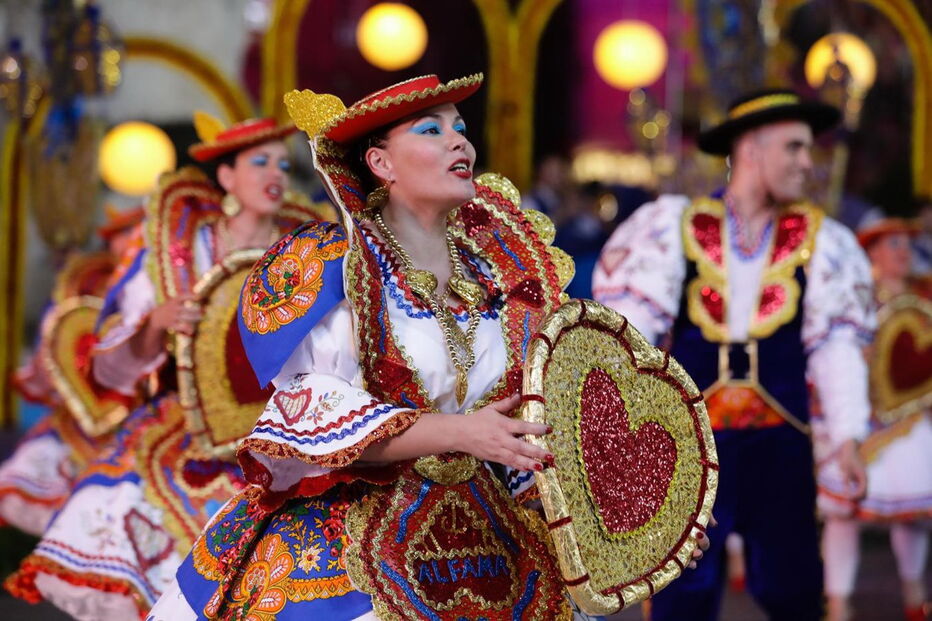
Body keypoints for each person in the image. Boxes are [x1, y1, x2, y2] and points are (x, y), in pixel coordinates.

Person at [148, 74, 708, 620]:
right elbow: (311, 414)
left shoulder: (503, 272)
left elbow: (544, 423)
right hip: (360, 535)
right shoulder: (335, 269)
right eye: (430, 130)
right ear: (381, 164)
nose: (459, 140)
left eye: (460, 127)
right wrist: (463, 433)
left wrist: (640, 518)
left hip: (494, 536)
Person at [6, 113, 324, 619]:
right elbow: (111, 356)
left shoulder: (304, 249)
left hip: (284, 428)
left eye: (283, 164)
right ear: (226, 177)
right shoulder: (178, 248)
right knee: (127, 514)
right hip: (185, 428)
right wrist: (158, 322)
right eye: (259, 161)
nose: (275, 174)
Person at [593, 88, 875, 621]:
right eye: (793, 148)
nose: (805, 163)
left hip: (781, 437)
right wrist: (621, 432)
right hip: (691, 441)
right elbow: (631, 340)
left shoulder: (821, 239)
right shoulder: (673, 226)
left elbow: (836, 346)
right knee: (683, 588)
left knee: (793, 587)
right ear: (752, 150)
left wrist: (848, 436)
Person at [0, 206, 145, 535]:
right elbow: (51, 352)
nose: (135, 243)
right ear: (110, 244)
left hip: (138, 425)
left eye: (143, 234)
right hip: (79, 419)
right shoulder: (81, 290)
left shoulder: (156, 292)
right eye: (126, 235)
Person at [819, 218, 931, 621]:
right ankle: (838, 603)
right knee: (843, 516)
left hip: (910, 424)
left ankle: (914, 592)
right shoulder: (855, 300)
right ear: (872, 253)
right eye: (894, 244)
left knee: (911, 518)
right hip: (859, 425)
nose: (903, 252)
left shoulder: (925, 295)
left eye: (906, 244)